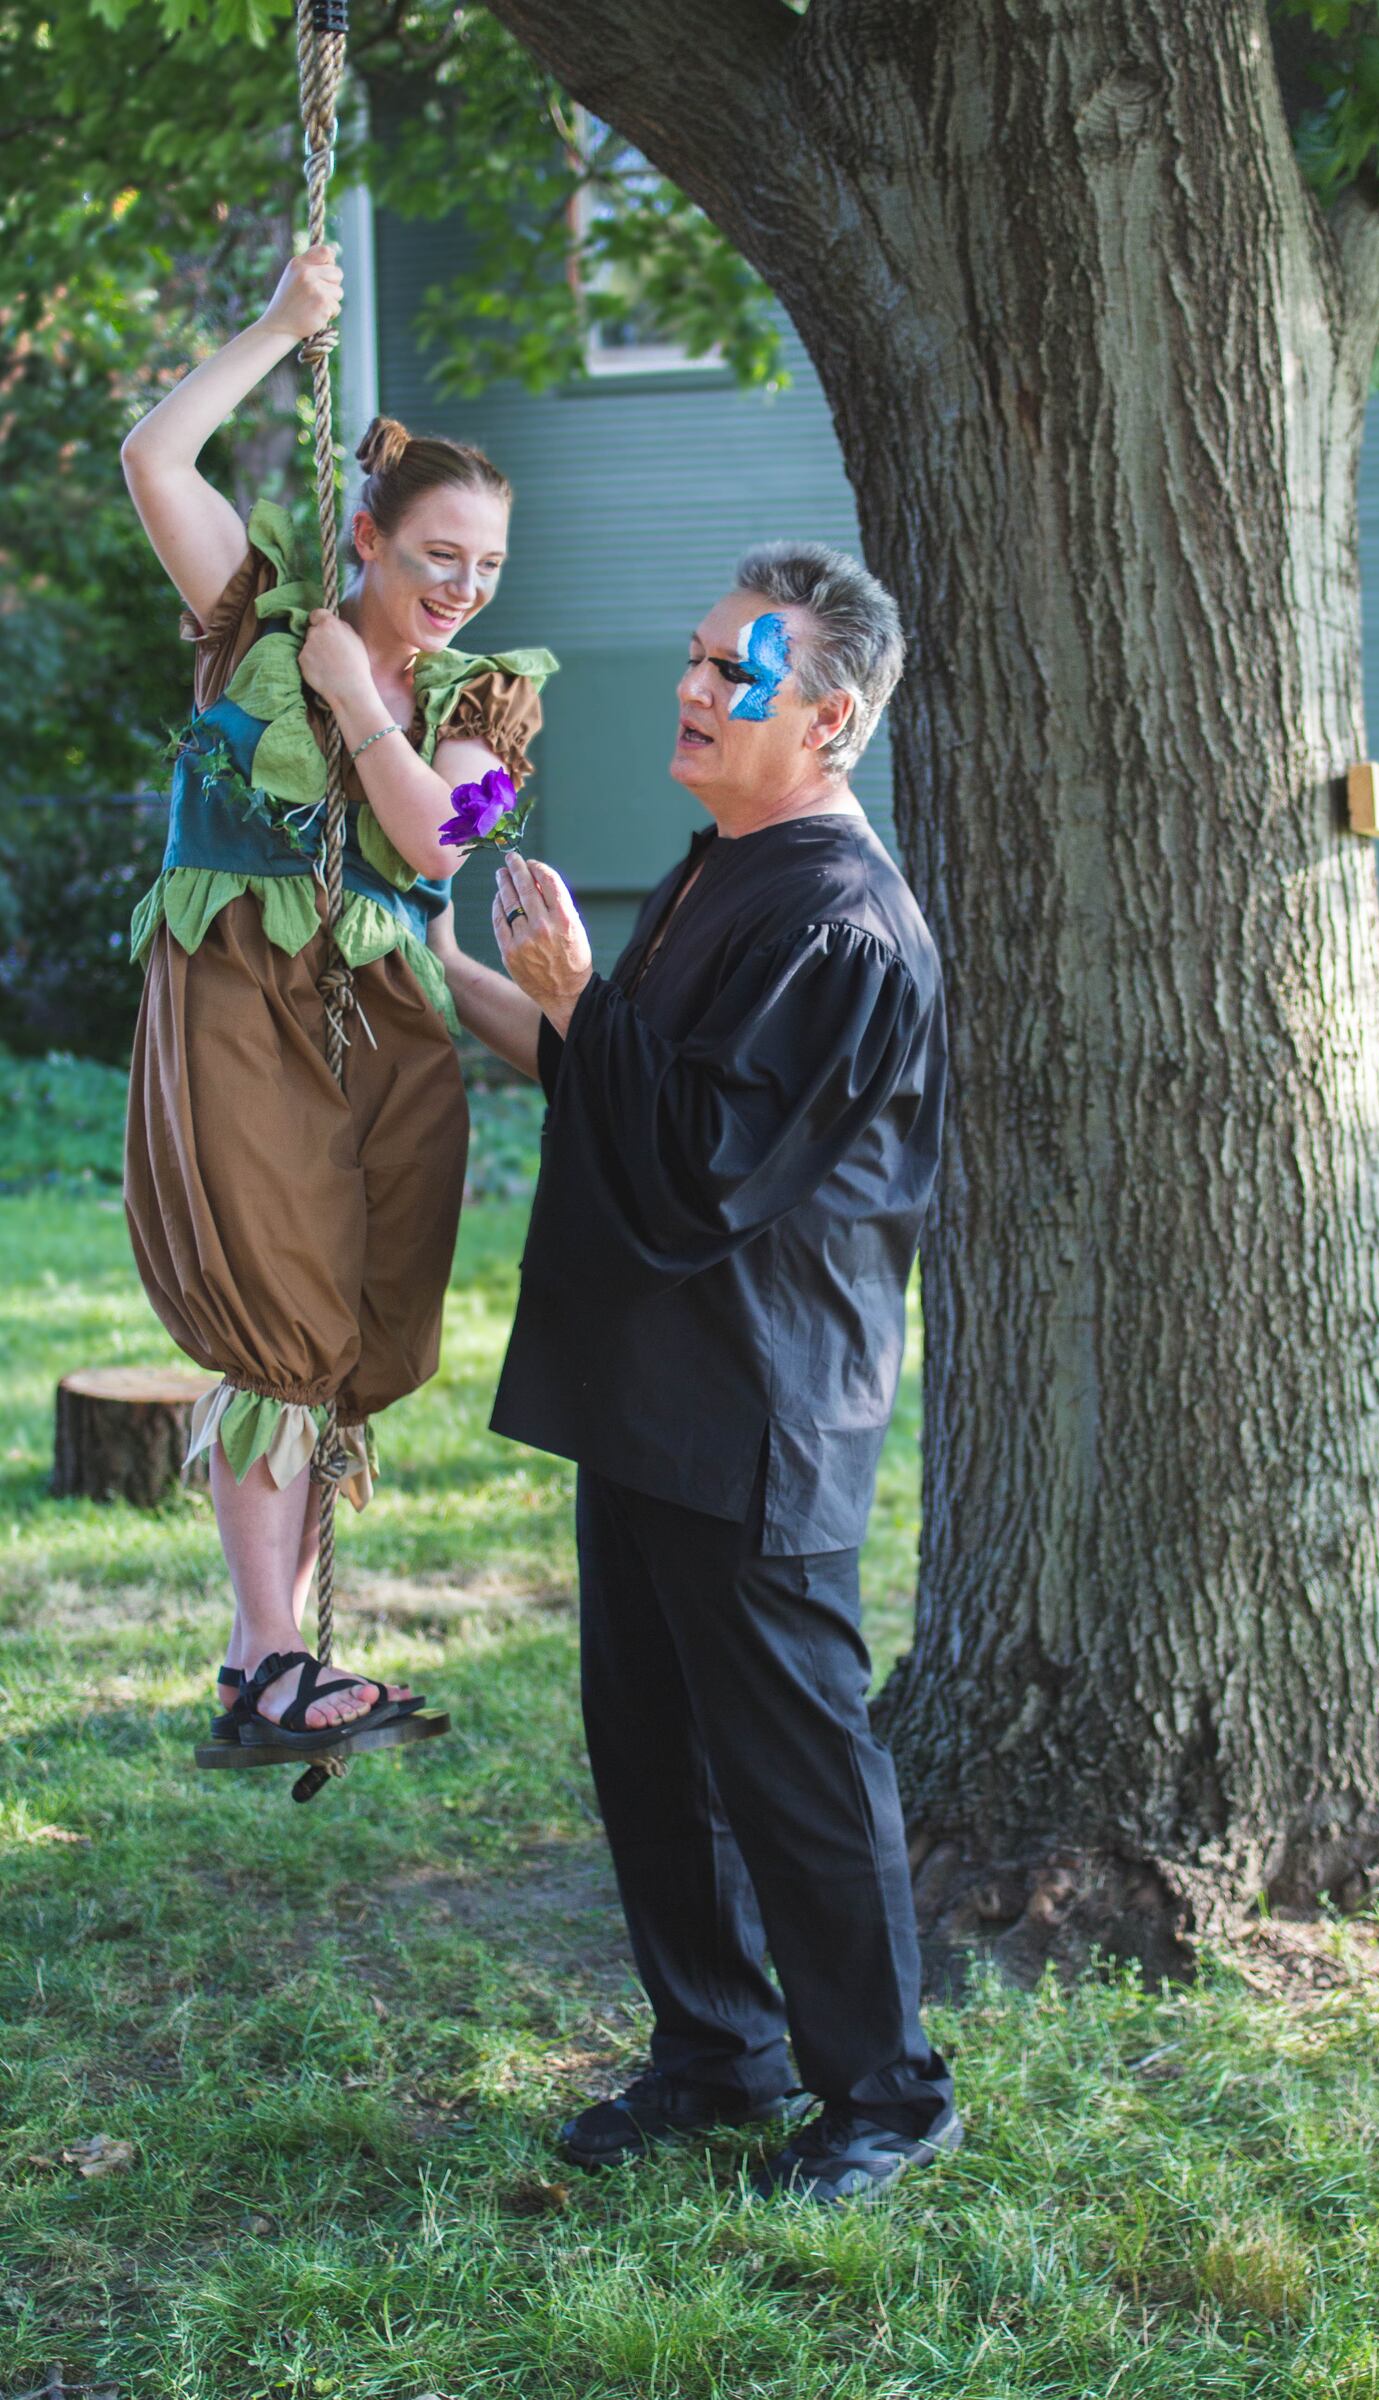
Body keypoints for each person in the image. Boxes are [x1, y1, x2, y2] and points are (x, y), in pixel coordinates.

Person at [427, 544, 959, 2206]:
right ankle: (714, 2056)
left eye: (738, 668)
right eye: (694, 653)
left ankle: (886, 2094)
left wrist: (578, 990)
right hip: (647, 1396)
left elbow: (703, 1164)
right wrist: (420, 960)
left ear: (832, 718)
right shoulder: (725, 865)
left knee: (796, 1776)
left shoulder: (843, 925)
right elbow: (601, 1076)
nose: (692, 686)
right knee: (648, 1746)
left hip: (759, 1408)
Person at [120, 244, 555, 1751]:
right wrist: (280, 326)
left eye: (488, 567)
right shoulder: (247, 627)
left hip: (389, 1030)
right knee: (279, 1322)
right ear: (363, 535)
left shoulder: (492, 704)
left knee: (358, 1330)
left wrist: (364, 697)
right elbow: (153, 455)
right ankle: (265, 1656)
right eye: (440, 555)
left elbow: (443, 834)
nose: (465, 588)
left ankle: (285, 1660)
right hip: (241, 996)